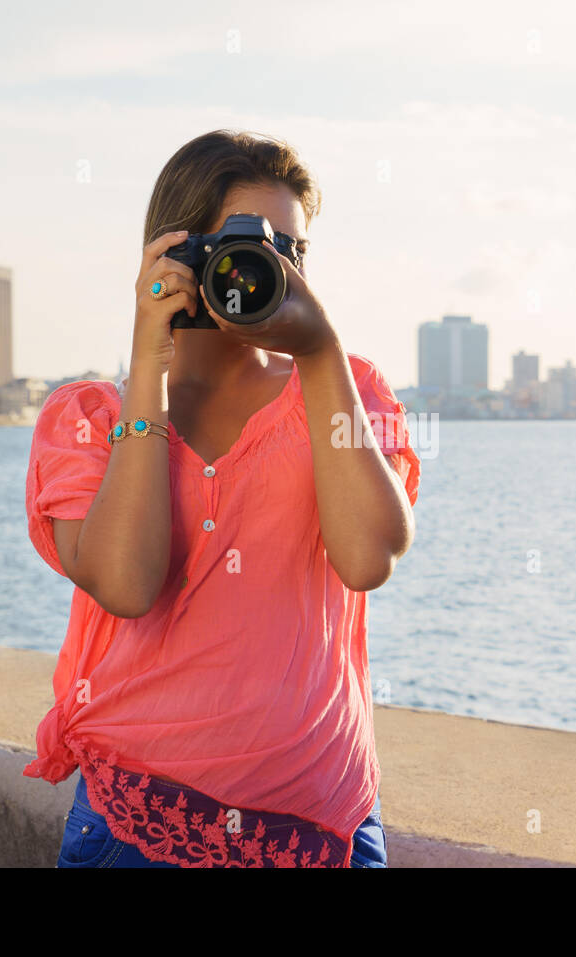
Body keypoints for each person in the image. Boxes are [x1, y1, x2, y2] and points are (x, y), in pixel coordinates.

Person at [23, 129, 420, 867]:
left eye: (288, 252)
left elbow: (368, 557)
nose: (266, 268)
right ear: (171, 251)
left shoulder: (346, 388)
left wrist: (320, 348)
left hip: (318, 824)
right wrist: (149, 365)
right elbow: (127, 583)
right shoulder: (90, 419)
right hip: (136, 821)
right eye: (242, 245)